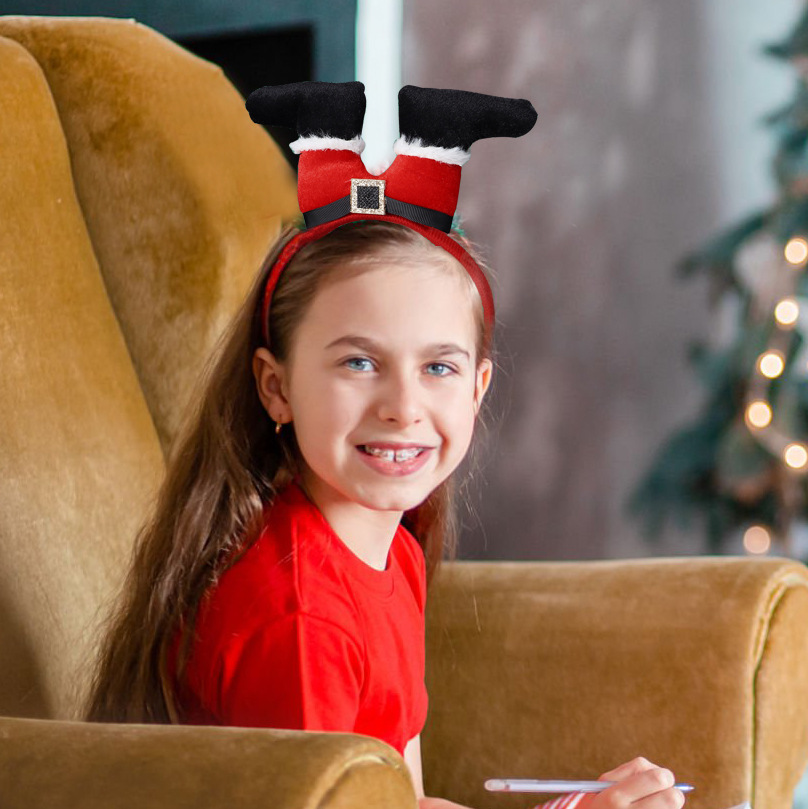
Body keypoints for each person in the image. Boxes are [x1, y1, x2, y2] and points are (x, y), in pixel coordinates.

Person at [83, 82, 687, 809]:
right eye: (359, 362)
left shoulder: (392, 549)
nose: (404, 407)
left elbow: (399, 799)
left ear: (477, 387)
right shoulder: (301, 621)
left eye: (438, 367)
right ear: (275, 387)